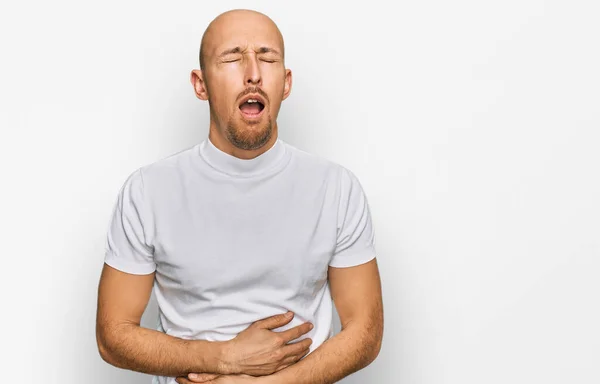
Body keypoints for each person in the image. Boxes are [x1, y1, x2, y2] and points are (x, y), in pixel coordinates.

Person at [96, 8, 383, 384]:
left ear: (286, 82)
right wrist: (223, 359)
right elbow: (112, 336)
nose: (253, 72)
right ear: (200, 85)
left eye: (268, 58)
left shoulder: (337, 188)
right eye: (232, 58)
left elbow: (366, 332)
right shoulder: (148, 191)